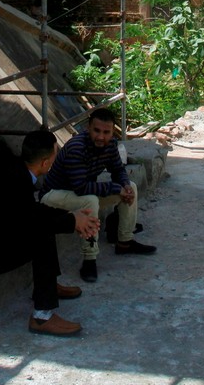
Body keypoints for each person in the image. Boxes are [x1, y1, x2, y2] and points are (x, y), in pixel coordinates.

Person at [0, 129, 99, 336]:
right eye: (55, 155)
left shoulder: (16, 169)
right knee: (41, 235)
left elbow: (31, 212)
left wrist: (71, 215)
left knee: (42, 227)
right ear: (45, 163)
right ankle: (42, 316)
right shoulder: (16, 179)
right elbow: (31, 219)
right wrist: (73, 220)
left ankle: (48, 287)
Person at [40, 108, 156, 283]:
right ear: (88, 128)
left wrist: (124, 185)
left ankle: (125, 240)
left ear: (112, 132)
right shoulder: (77, 147)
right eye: (97, 131)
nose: (101, 137)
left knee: (130, 185)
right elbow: (81, 188)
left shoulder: (110, 145)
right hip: (53, 197)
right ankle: (89, 259)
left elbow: (117, 169)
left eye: (106, 132)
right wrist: (116, 188)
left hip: (77, 195)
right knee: (90, 200)